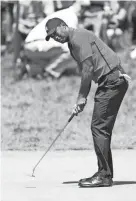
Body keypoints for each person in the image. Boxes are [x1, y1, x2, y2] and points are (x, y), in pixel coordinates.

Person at [45, 17, 130, 188]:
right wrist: (81, 100)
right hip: (109, 81)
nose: (56, 37)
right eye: (52, 37)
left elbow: (88, 70)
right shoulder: (72, 45)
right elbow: (88, 72)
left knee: (99, 127)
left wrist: (81, 97)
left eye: (56, 33)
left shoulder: (78, 37)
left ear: (64, 26)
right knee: (100, 128)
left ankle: (104, 175)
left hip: (112, 80)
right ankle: (104, 173)